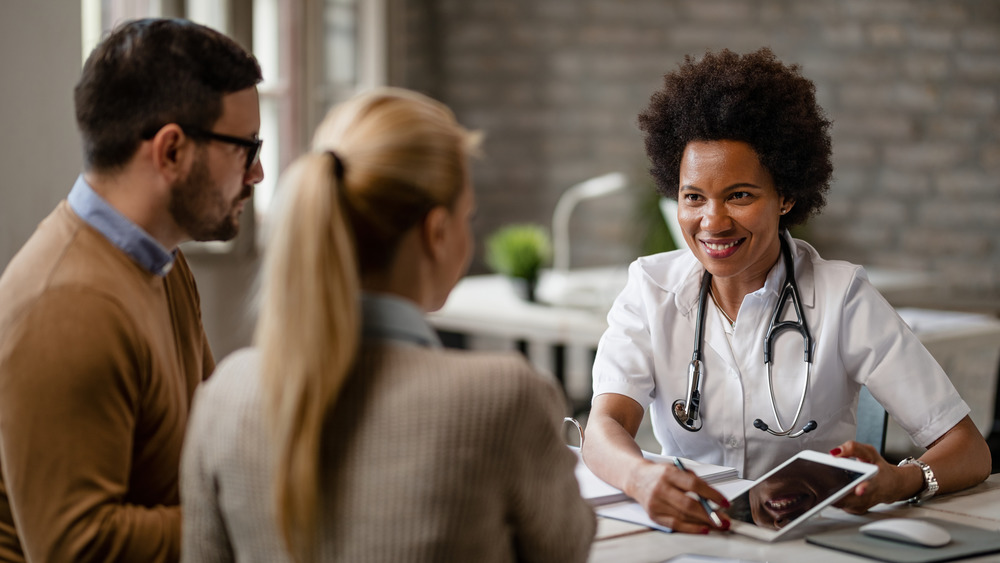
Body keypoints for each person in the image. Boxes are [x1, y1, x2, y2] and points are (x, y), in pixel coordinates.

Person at [581, 48, 991, 534]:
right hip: (692, 535)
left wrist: (899, 481)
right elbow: (603, 428)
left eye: (740, 195)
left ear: (787, 196)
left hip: (809, 544)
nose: (712, 221)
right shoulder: (650, 288)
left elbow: (968, 448)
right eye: (694, 197)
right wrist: (642, 477)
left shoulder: (842, 297)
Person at [179, 87, 596, 563]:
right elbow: (568, 548)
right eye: (468, 216)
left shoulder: (224, 397)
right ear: (436, 233)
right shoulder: (502, 399)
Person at [0, 18, 262, 562]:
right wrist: (257, 513)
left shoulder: (161, 262)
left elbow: (204, 440)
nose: (256, 172)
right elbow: (78, 549)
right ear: (170, 151)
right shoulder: (66, 304)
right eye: (245, 147)